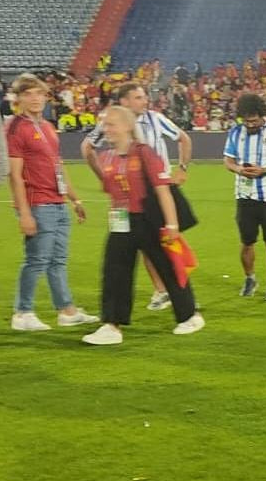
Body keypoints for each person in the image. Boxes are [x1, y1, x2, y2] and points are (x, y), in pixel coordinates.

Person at [79, 106, 204, 345]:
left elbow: (163, 191)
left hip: (149, 219)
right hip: (121, 221)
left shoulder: (144, 153)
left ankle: (189, 316)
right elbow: (114, 193)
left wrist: (171, 225)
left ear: (127, 126)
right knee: (114, 271)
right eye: (104, 124)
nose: (106, 129)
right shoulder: (107, 157)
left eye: (111, 124)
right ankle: (111, 325)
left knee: (168, 267)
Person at [84, 82, 195, 311]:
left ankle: (182, 301)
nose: (144, 101)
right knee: (142, 247)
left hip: (158, 192)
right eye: (138, 97)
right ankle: (163, 292)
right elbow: (87, 148)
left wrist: (182, 168)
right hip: (128, 199)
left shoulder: (155, 119)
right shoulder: (110, 121)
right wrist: (107, 178)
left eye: (143, 97)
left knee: (165, 246)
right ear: (124, 101)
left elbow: (183, 138)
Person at [6, 74, 99, 331]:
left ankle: (66, 311)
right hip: (37, 203)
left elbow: (57, 165)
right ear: (19, 98)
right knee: (36, 260)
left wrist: (74, 197)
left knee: (58, 260)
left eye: (39, 93)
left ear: (46, 97)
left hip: (56, 202)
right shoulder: (15, 127)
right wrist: (24, 213)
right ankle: (22, 312)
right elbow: (14, 174)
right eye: (28, 94)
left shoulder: (47, 126)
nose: (35, 99)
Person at [222, 93, 266, 302]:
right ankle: (250, 278)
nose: (250, 124)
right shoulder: (236, 133)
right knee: (247, 243)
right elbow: (228, 160)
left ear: (262, 116)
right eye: (246, 120)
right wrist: (238, 169)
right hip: (244, 195)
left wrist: (263, 171)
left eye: (254, 120)